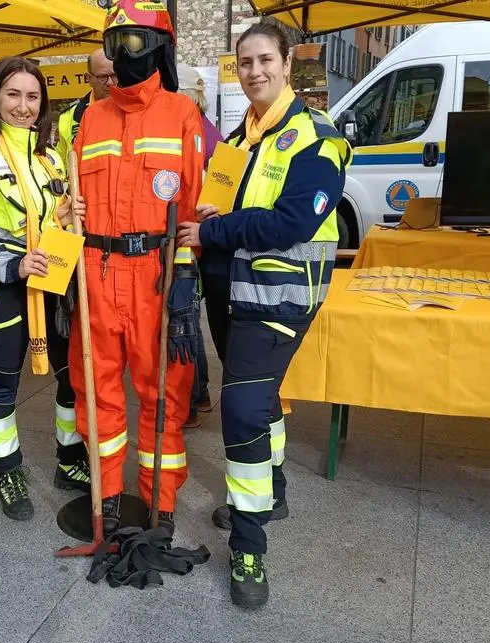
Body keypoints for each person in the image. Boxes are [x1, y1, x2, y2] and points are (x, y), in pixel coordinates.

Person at [177, 22, 351, 607]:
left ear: (286, 64)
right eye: (245, 62)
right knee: (263, 398)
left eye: (264, 60)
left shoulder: (316, 140)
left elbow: (293, 223)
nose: (254, 71)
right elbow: (216, 199)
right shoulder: (240, 135)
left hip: (278, 299)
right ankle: (271, 490)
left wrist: (213, 229)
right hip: (231, 293)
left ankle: (250, 545)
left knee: (243, 408)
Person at [70, 0, 204, 536]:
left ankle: (160, 505)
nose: (124, 55)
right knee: (97, 393)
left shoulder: (182, 114)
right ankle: (105, 500)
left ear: (159, 49)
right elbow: (73, 198)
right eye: (115, 43)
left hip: (157, 275)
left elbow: (191, 205)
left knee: (163, 394)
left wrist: (185, 279)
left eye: (135, 42)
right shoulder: (91, 118)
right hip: (97, 273)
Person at [0, 56, 87, 522]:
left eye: (32, 96)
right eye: (13, 95)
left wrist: (63, 216)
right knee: (2, 386)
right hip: (2, 289)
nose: (23, 106)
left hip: (53, 283)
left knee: (70, 378)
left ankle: (69, 460)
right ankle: (7, 469)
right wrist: (14, 264)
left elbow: (45, 220)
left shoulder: (48, 156)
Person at [176, 63, 221, 428]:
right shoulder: (211, 131)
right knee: (189, 319)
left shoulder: (193, 133)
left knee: (185, 320)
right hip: (201, 240)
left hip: (190, 240)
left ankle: (192, 398)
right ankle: (199, 393)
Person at [57, 49, 116, 162]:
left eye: (114, 75)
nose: (110, 83)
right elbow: (62, 162)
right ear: (88, 78)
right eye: (102, 77)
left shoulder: (135, 110)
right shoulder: (70, 116)